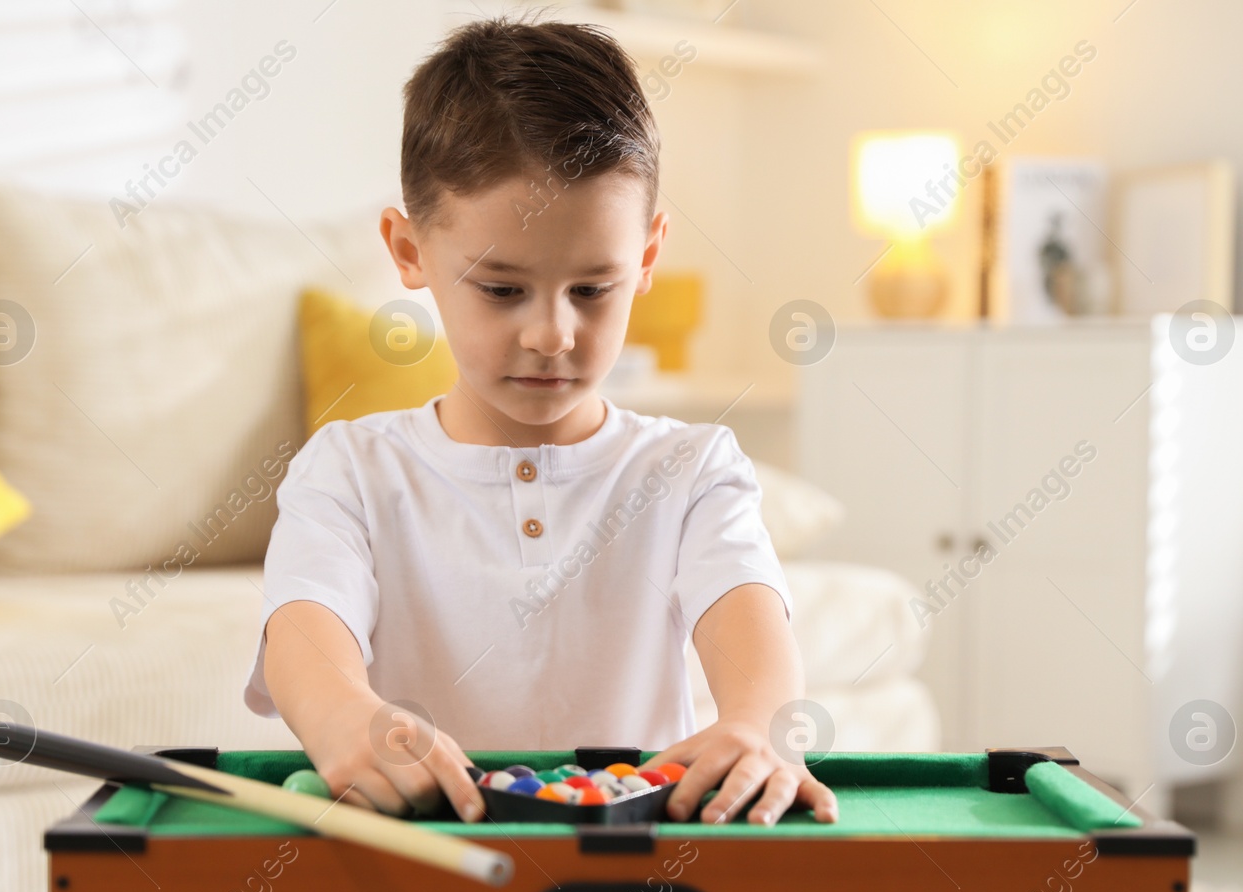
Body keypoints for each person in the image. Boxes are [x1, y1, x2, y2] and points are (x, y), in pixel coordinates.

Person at [244, 13, 837, 829]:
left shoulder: (693, 469)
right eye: (501, 289)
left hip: (635, 880)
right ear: (409, 249)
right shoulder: (347, 469)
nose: (552, 333)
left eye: (593, 288)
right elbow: (304, 630)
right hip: (422, 867)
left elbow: (746, 615)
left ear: (649, 255)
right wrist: (342, 713)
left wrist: (758, 722)